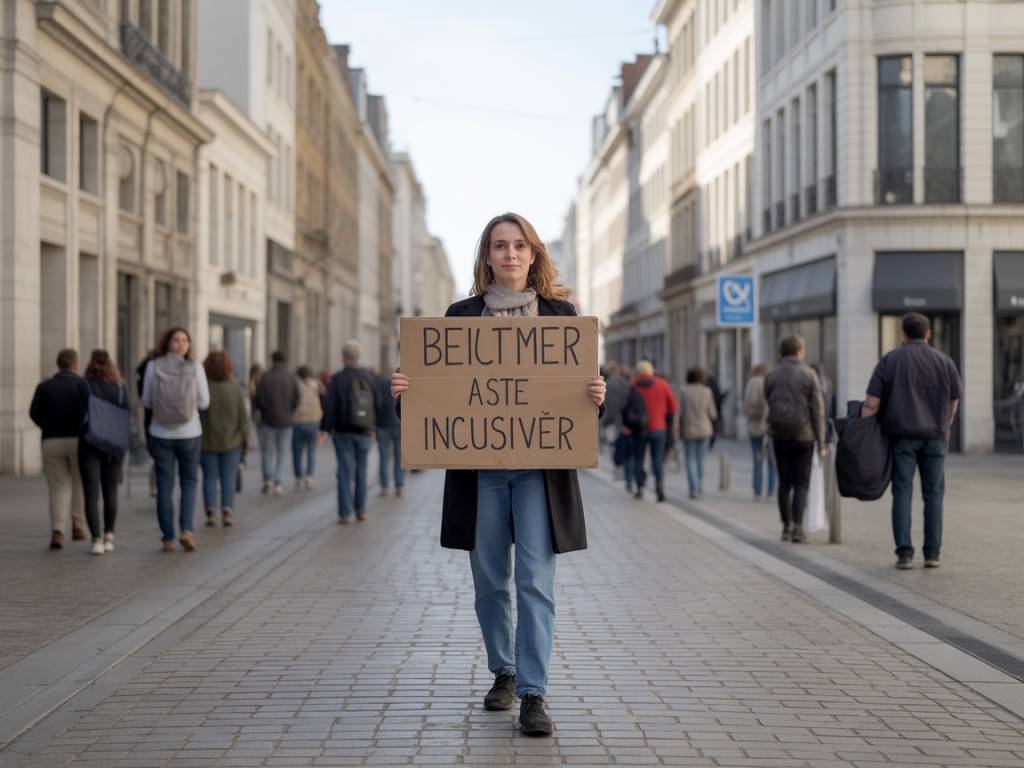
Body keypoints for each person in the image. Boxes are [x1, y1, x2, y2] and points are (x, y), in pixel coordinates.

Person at [391, 212, 606, 737]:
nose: (510, 254)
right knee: (490, 582)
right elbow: (439, 402)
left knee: (536, 580)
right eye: (499, 246)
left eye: (519, 246)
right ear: (486, 257)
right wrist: (406, 395)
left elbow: (571, 400)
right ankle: (503, 672)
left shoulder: (562, 317)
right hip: (481, 472)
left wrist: (596, 397)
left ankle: (534, 691)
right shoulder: (460, 317)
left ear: (533, 255)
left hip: (538, 472)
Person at [861, 312, 961, 570]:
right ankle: (932, 554)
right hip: (936, 437)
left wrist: (862, 427)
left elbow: (872, 403)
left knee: (902, 493)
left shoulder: (890, 360)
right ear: (928, 333)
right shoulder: (944, 361)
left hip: (902, 438)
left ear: (903, 334)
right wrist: (946, 422)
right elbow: (954, 397)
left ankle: (904, 553)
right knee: (934, 495)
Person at [141, 327, 210, 552]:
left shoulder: (153, 365)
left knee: (164, 484)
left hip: (160, 432)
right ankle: (187, 530)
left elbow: (147, 401)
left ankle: (167, 537)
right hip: (189, 432)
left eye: (182, 340)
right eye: (178, 340)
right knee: (189, 482)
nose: (181, 344)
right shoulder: (195, 366)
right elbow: (204, 402)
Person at [763, 335, 825, 543]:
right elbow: (817, 410)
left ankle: (785, 527)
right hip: (803, 436)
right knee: (801, 483)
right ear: (799, 350)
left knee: (784, 482)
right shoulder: (809, 374)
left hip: (778, 434)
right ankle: (798, 527)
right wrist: (822, 442)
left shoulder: (771, 374)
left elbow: (768, 401)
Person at [29, 349, 87, 549]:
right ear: (76, 364)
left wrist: (46, 425)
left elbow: (33, 413)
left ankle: (58, 530)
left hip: (51, 440)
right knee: (80, 484)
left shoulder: (44, 386)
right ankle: (78, 525)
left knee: (58, 487)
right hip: (79, 440)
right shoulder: (82, 385)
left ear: (58, 364)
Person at [77, 350, 130, 555]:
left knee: (91, 492)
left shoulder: (84, 385)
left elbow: (78, 413)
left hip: (90, 442)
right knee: (111, 492)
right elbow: (127, 413)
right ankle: (109, 535)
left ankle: (96, 539)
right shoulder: (119, 387)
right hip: (114, 445)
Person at [321, 341, 377, 522]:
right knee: (362, 470)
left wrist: (325, 429)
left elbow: (330, 406)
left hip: (343, 432)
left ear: (343, 357)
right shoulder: (369, 377)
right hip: (365, 431)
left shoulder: (337, 379)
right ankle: (361, 510)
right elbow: (378, 402)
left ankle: (345, 513)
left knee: (345, 472)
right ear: (358, 357)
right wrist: (375, 427)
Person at [199, 351, 248, 528]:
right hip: (232, 441)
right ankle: (227, 511)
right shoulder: (235, 388)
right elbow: (243, 417)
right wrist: (245, 438)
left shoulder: (204, 387)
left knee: (209, 477)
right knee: (228, 477)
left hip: (207, 441)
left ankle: (211, 512)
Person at [630, 361, 678, 502]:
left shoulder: (632, 385)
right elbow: (673, 407)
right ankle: (659, 487)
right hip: (658, 427)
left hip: (639, 428)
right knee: (657, 459)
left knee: (639, 458)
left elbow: (626, 406)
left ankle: (639, 487)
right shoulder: (662, 384)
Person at [253, 350, 299, 496]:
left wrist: (265, 410)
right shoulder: (291, 376)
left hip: (268, 420)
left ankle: (267, 479)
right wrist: (290, 411)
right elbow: (297, 397)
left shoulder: (265, 376)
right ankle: (279, 482)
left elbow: (258, 398)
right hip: (286, 421)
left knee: (267, 452)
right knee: (283, 453)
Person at [679, 367, 718, 499]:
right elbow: (713, 413)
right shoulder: (707, 391)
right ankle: (699, 483)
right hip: (704, 429)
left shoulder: (684, 391)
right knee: (701, 459)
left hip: (689, 429)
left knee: (690, 459)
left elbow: (680, 412)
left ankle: (693, 487)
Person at [744, 363, 777, 501]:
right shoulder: (766, 383)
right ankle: (770, 492)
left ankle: (757, 492)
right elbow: (768, 405)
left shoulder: (750, 384)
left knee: (757, 460)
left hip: (753, 428)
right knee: (771, 462)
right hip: (767, 429)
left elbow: (746, 406)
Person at [292, 365, 323, 491]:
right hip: (313, 420)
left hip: (298, 420)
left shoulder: (295, 385)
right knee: (311, 451)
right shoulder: (316, 385)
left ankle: (299, 476)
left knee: (297, 451)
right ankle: (309, 476)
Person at [375, 367, 403, 498]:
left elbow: (376, 404)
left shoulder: (382, 385)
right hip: (400, 425)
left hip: (383, 424)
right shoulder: (409, 384)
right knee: (399, 457)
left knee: (384, 457)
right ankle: (399, 486)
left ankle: (385, 486)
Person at [601, 362, 630, 475]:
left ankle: (616, 464)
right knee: (621, 442)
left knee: (612, 442)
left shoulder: (606, 384)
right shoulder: (625, 384)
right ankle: (620, 464)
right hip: (622, 418)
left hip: (610, 418)